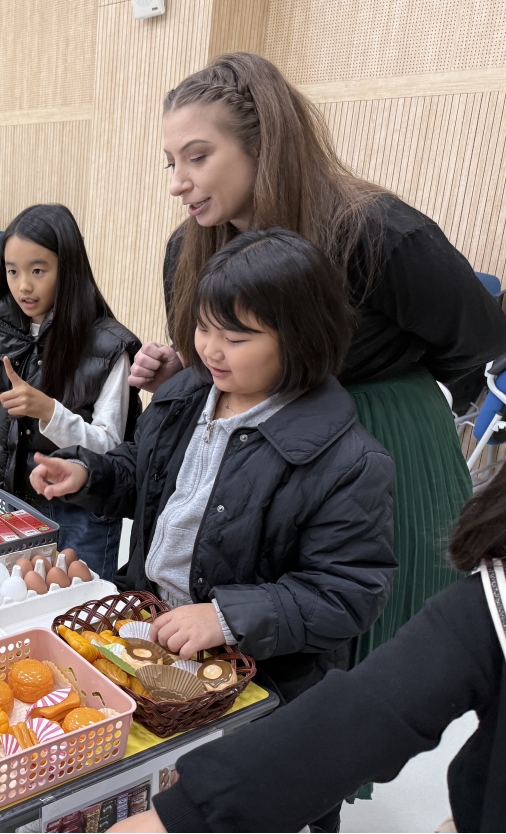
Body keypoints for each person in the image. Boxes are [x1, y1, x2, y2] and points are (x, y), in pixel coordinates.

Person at [129, 52, 506, 669]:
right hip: (251, 465)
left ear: (262, 145)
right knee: (247, 654)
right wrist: (194, 383)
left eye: (198, 157)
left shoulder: (377, 232)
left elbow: (479, 340)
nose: (178, 181)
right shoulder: (189, 248)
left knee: (365, 663)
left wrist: (383, 386)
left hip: (382, 440)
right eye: (171, 163)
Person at [33, 229, 396, 832]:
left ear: (301, 338)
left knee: (235, 803)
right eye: (204, 329)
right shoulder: (186, 396)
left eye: (238, 336)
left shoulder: (347, 462)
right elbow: (144, 474)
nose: (212, 349)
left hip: (264, 685)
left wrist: (224, 617)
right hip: (153, 637)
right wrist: (89, 473)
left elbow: (347, 592)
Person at [111, 461, 506, 834]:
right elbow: (370, 710)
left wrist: (193, 810)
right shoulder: (480, 607)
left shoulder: (353, 462)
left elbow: (365, 713)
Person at [0, 203, 142, 581]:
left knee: (77, 616)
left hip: (81, 510)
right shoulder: (2, 329)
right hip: (15, 502)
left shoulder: (107, 345)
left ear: (69, 269)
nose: (23, 286)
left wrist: (49, 411)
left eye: (38, 270)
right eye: (12, 271)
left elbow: (111, 447)